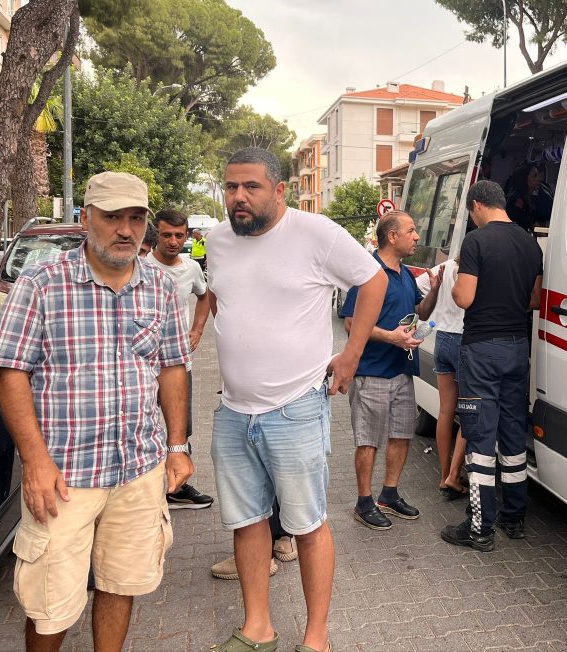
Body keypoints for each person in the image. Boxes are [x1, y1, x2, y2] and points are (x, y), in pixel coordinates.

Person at [0, 171, 194, 650]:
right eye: (112, 217)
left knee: (122, 583)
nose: (125, 229)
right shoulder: (42, 283)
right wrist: (35, 461)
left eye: (136, 218)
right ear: (86, 219)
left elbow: (172, 368)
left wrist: (177, 446)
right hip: (64, 475)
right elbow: (10, 372)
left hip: (139, 469)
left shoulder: (161, 287)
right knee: (50, 603)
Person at [208, 147, 386, 652]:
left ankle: (316, 637)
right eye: (231, 187)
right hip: (233, 411)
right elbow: (222, 298)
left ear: (280, 190)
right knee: (247, 523)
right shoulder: (218, 240)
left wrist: (351, 354)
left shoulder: (316, 234)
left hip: (296, 409)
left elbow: (374, 279)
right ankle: (258, 628)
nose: (238, 197)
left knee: (307, 526)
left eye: (251, 187)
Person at [440, 180, 542, 553]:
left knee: (480, 436)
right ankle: (514, 518)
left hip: (482, 349)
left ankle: (479, 528)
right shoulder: (530, 244)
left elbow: (464, 298)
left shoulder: (476, 241)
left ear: (478, 206)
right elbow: (534, 299)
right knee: (513, 433)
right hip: (517, 348)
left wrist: (454, 286)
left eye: (472, 212)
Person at [339, 210, 440, 531]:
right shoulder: (368, 273)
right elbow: (352, 323)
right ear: (392, 236)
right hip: (372, 371)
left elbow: (420, 311)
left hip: (401, 370)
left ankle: (389, 494)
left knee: (401, 435)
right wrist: (391, 337)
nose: (417, 236)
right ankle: (364, 502)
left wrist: (435, 291)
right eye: (411, 230)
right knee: (368, 441)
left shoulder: (405, 274)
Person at [144, 209, 213, 509]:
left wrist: (197, 330)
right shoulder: (141, 266)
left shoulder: (191, 268)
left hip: (179, 363)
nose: (172, 241)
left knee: (181, 428)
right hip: (143, 365)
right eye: (166, 235)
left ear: (186, 236)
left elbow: (205, 295)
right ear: (157, 235)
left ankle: (177, 488)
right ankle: (144, 489)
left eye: (178, 235)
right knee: (143, 426)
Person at [416, 255, 467, 500]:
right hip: (465, 340)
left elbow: (419, 284)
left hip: (443, 337)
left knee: (446, 411)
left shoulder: (447, 266)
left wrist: (437, 296)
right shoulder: (478, 265)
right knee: (469, 411)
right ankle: (453, 476)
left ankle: (444, 473)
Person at [505, 163, 553, 232]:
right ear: (524, 179)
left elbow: (532, 222)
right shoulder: (516, 199)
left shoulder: (531, 199)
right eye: (534, 176)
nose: (539, 179)